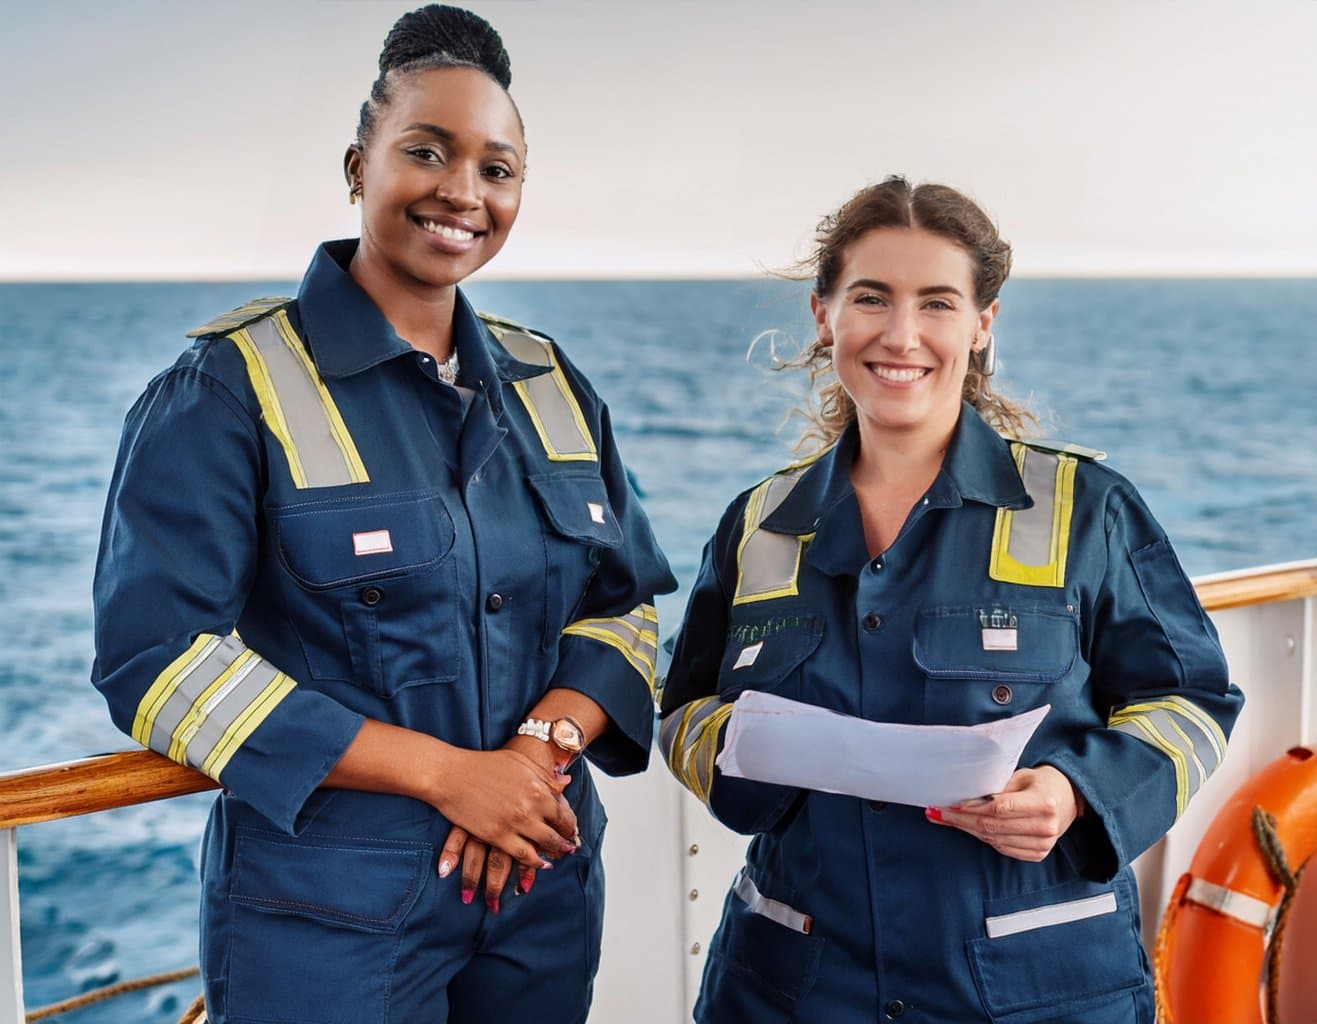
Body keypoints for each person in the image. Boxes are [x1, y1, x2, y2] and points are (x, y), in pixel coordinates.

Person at [90, 6, 675, 1022]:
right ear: (359, 166)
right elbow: (158, 660)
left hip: (538, 883)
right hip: (327, 916)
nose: (463, 191)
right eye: (426, 151)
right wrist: (450, 778)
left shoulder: (549, 382)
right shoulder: (226, 388)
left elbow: (624, 608)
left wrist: (532, 756)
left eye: (497, 168)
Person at [659, 176, 1243, 1023]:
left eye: (936, 303)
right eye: (870, 298)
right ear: (824, 316)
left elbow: (1189, 700)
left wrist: (1076, 791)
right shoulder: (756, 526)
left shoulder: (1089, 511)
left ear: (981, 324)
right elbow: (682, 710)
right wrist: (747, 750)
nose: (901, 335)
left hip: (1035, 993)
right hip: (792, 988)